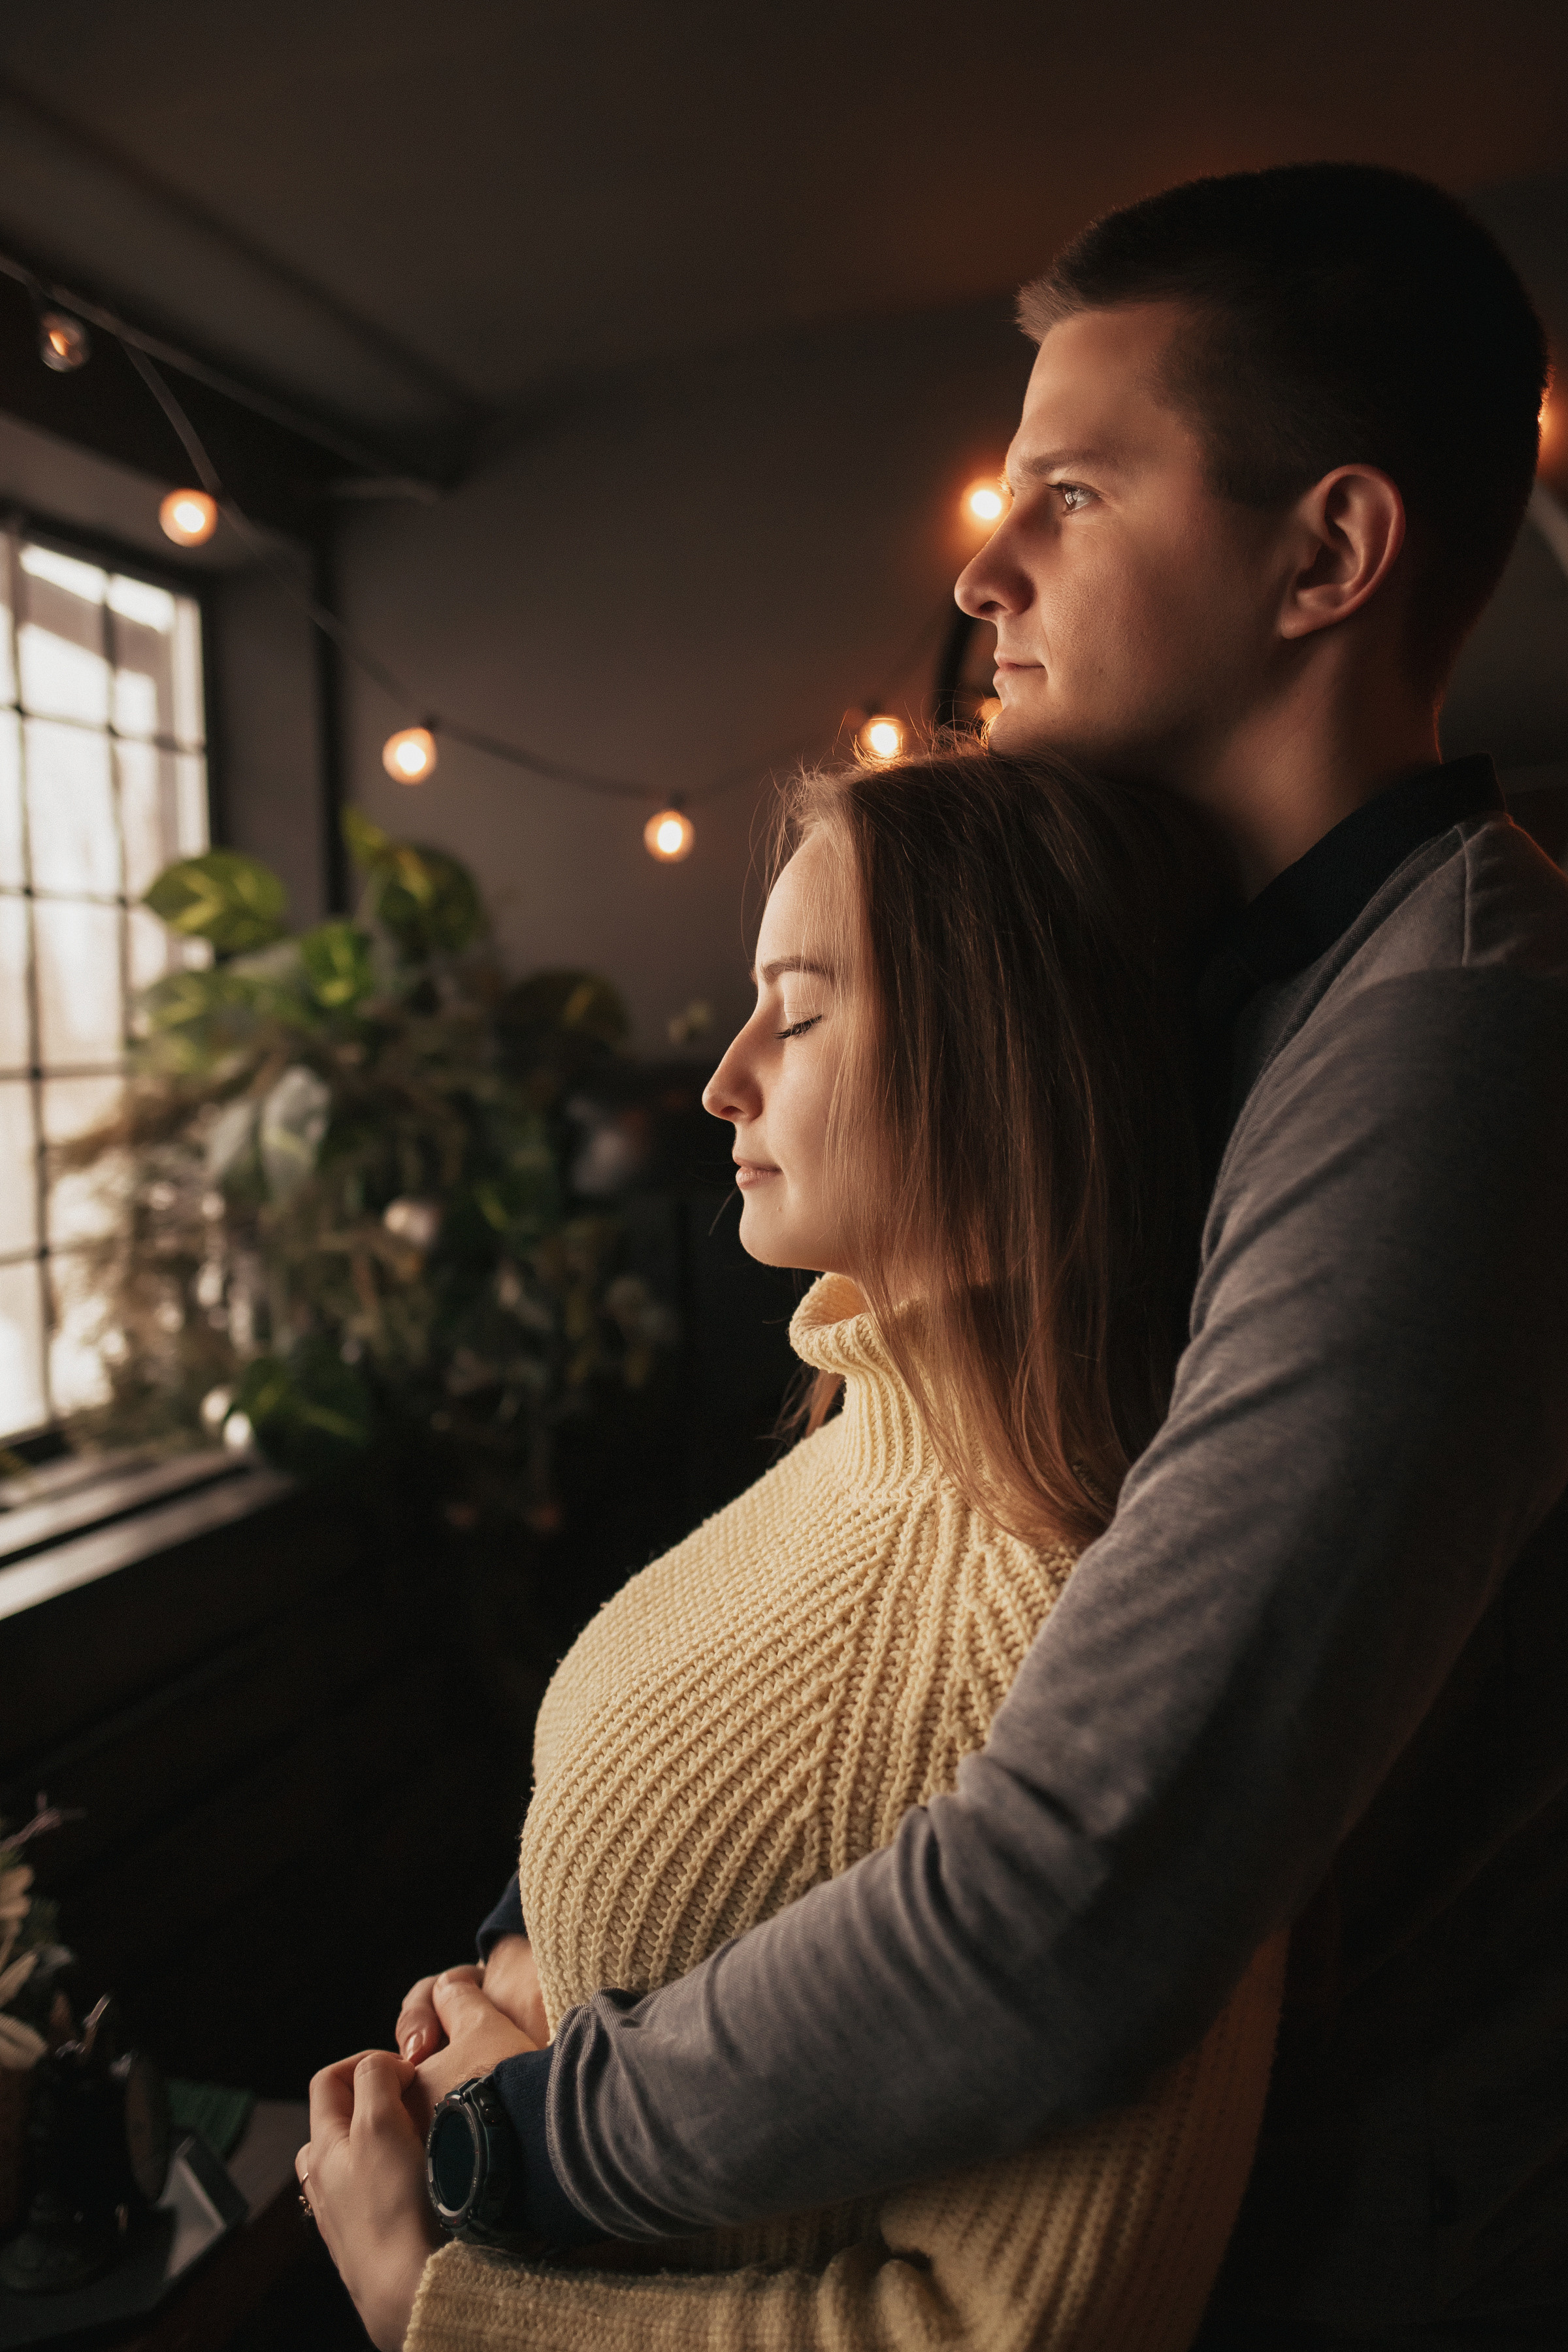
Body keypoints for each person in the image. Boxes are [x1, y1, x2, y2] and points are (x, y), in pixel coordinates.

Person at [308, 160, 1568, 2345]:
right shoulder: (1226, 995)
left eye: (1071, 493)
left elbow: (1089, 1881)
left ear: (1330, 554)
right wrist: (542, 1936)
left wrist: (524, 2148)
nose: (983, 570)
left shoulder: (1460, 1033)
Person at [304, 745, 1286, 2348]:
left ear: (999, 1063)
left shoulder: (1097, 1633)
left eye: (802, 1013)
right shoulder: (859, 1433)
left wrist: (439, 2301)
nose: (722, 1080)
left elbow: (1020, 2327)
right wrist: (536, 1957)